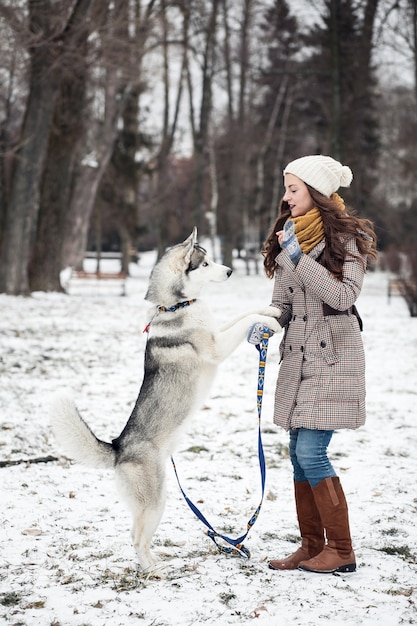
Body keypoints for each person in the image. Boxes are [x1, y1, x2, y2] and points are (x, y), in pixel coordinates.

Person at [261, 155, 377, 574]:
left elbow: (343, 297)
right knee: (297, 453)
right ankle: (311, 546)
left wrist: (299, 257)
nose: (286, 196)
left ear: (315, 192)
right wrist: (265, 325)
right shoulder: (288, 235)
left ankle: (341, 549)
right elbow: (284, 304)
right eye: (286, 188)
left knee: (311, 452)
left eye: (293, 188)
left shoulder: (349, 238)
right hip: (298, 359)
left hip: (335, 358)